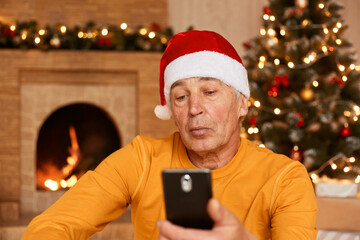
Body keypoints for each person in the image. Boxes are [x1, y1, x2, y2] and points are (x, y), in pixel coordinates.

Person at [22, 30, 317, 240]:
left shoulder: (285, 178)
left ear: (242, 103)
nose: (194, 109)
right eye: (180, 97)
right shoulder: (141, 159)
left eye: (210, 91)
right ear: (171, 112)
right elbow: (53, 226)